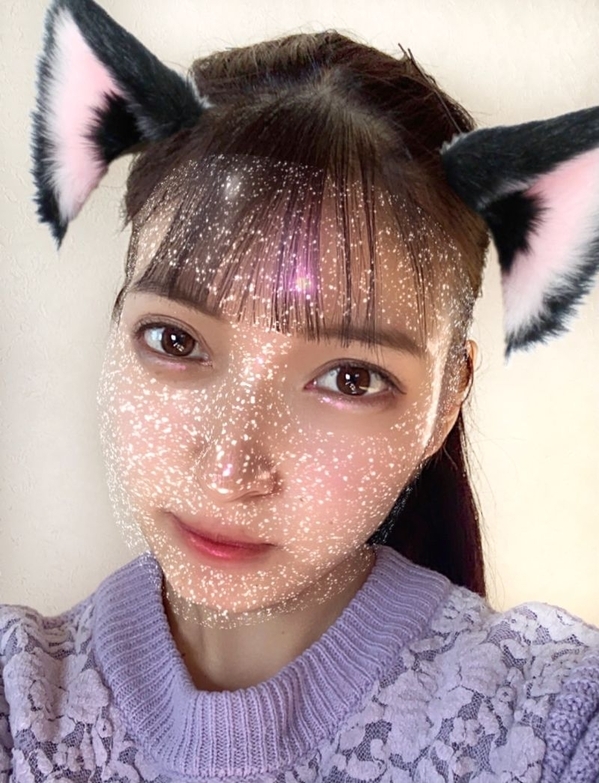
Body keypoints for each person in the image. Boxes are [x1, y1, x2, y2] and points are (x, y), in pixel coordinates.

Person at [1, 0, 598, 780]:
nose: (231, 468)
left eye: (350, 378)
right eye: (175, 340)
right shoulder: (19, 706)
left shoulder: (553, 723)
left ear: (444, 403)